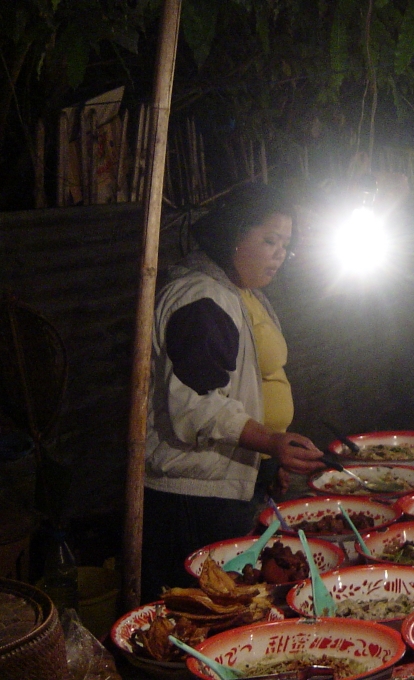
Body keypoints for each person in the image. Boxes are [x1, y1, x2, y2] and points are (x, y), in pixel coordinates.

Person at [142, 184, 325, 602]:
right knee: (195, 609)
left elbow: (248, 384)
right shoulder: (202, 298)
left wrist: (265, 460)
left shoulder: (242, 292)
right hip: (191, 495)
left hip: (229, 481)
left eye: (286, 245)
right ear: (233, 235)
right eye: (269, 240)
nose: (280, 254)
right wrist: (270, 441)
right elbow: (194, 405)